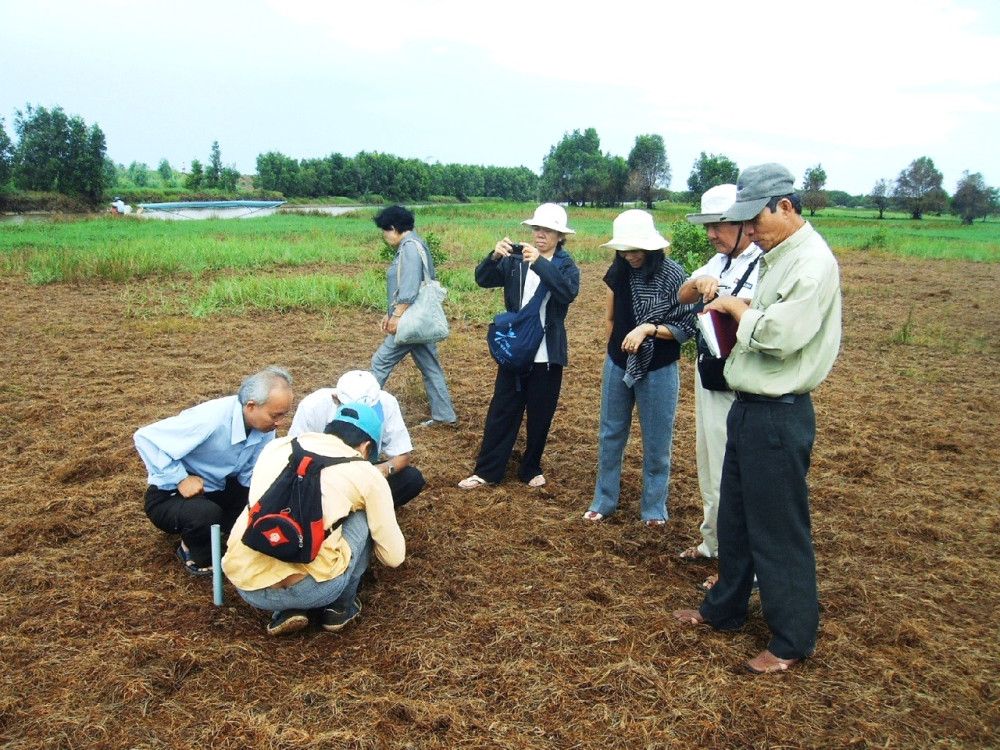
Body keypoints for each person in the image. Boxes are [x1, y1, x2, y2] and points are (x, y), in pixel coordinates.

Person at [673, 163, 842, 675]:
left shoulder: (810, 263)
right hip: (750, 407)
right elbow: (766, 314)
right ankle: (724, 608)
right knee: (736, 518)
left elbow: (778, 335)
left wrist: (734, 307)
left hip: (779, 413)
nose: (749, 232)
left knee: (778, 527)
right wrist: (742, 304)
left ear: (785, 207)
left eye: (755, 221)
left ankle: (792, 639)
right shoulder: (779, 255)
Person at [222, 402, 405, 636]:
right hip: (315, 589)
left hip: (248, 584)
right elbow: (394, 557)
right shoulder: (365, 472)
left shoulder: (277, 446)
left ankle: (286, 611)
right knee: (363, 515)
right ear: (366, 447)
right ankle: (340, 609)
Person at [583, 210, 696, 526]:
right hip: (618, 364)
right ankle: (604, 500)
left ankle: (654, 508)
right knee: (610, 433)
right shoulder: (618, 271)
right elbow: (610, 318)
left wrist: (648, 328)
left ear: (651, 247)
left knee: (658, 440)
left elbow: (686, 326)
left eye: (635, 249)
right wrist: (612, 356)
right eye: (624, 250)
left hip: (660, 366)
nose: (629, 256)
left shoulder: (674, 275)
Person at [458, 203, 580, 490]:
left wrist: (539, 262)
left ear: (560, 236)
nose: (540, 234)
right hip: (516, 348)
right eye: (537, 228)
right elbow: (483, 279)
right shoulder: (515, 260)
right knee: (503, 408)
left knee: (540, 412)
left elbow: (566, 292)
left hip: (547, 351)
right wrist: (493, 256)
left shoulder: (565, 265)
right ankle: (487, 471)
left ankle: (531, 467)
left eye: (548, 230)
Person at [677, 184, 764, 586]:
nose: (711, 233)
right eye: (708, 225)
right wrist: (701, 283)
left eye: (718, 224)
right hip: (712, 369)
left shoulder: (764, 263)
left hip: (745, 379)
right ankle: (713, 541)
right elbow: (681, 294)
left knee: (737, 465)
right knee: (709, 457)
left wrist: (729, 300)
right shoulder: (719, 259)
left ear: (744, 222)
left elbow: (768, 318)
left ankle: (742, 562)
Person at [134, 366, 293, 576]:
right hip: (170, 496)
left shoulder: (263, 427)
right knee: (206, 516)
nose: (280, 422)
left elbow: (249, 476)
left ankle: (218, 526)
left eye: (283, 415)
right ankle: (190, 548)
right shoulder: (209, 419)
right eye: (275, 415)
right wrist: (180, 478)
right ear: (252, 406)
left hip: (217, 488)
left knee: (265, 506)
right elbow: (145, 438)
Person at [370, 205, 457, 428]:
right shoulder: (416, 244)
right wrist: (388, 313)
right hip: (417, 319)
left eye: (384, 230)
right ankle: (445, 416)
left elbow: (408, 287)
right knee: (430, 367)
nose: (384, 235)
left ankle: (364, 412)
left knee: (380, 363)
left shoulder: (409, 247)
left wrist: (396, 316)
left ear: (394, 227)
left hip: (409, 320)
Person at [288, 369, 426, 508]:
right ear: (336, 399)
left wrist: (383, 469)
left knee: (411, 479)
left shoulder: (387, 403)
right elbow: (293, 454)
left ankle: (358, 511)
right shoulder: (312, 405)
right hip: (321, 477)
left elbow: (402, 454)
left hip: (364, 473)